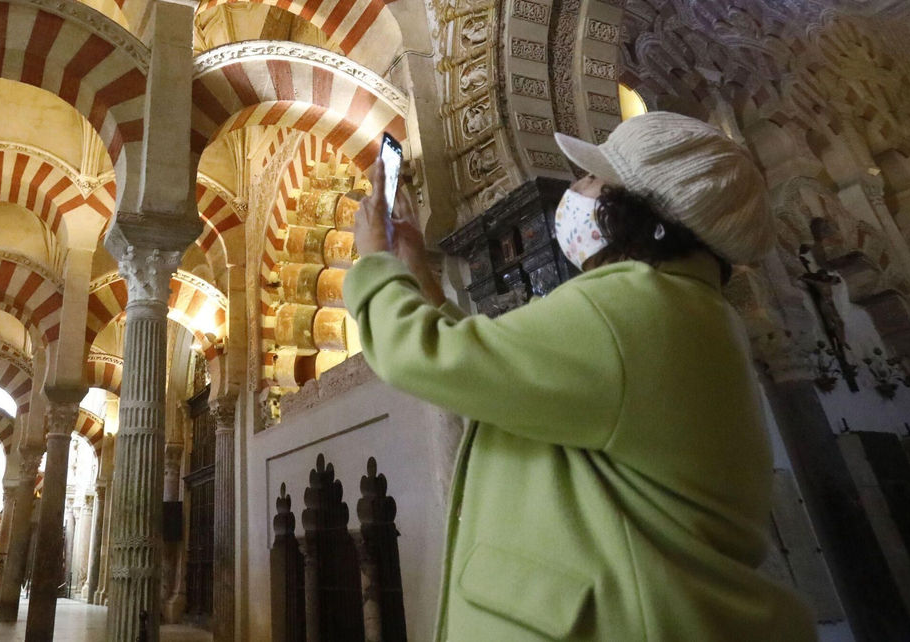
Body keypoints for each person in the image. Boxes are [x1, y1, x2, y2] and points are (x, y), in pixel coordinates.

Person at [345, 112, 816, 641]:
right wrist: (418, 270)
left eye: (593, 178)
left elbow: (421, 355)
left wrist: (374, 261)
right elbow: (498, 370)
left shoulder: (631, 308)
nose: (577, 188)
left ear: (639, 209)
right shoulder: (687, 310)